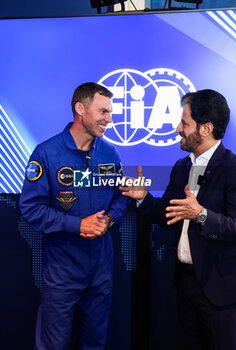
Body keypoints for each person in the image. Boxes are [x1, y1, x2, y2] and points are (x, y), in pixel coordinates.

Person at [121, 89, 236, 350]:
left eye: (185, 123)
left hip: (220, 289)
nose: (177, 129)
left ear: (206, 128)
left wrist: (201, 214)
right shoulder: (182, 167)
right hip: (185, 284)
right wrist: (143, 197)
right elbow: (167, 214)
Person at [19, 82, 130, 350]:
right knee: (52, 344)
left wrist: (111, 219)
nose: (109, 119)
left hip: (101, 267)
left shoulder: (109, 152)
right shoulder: (46, 153)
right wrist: (77, 225)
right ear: (80, 109)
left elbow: (120, 196)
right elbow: (31, 208)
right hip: (62, 269)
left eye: (110, 112)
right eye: (103, 111)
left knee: (95, 342)